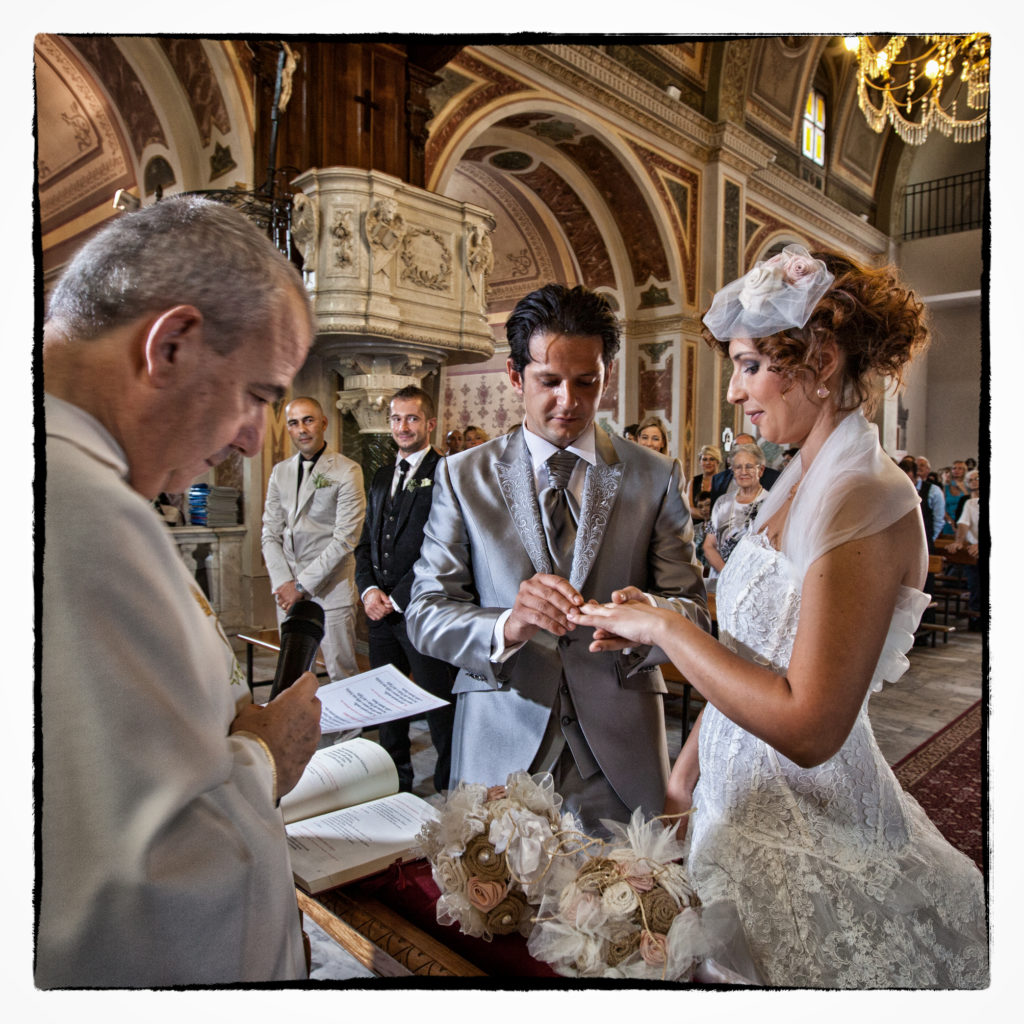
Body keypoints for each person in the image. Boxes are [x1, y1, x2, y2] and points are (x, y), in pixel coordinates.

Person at [569, 245, 986, 987]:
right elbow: (753, 658)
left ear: (820, 363)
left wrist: (672, 632)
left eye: (750, 364)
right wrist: (681, 784)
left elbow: (809, 727)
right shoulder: (799, 478)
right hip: (731, 802)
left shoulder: (862, 494)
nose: (733, 391)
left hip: (809, 825)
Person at [38, 196, 323, 986]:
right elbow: (129, 896)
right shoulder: (82, 513)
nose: (250, 441)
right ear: (170, 346)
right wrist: (267, 756)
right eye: (259, 396)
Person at [405, 283, 709, 835]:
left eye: (585, 381)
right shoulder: (461, 476)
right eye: (548, 381)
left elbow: (695, 609)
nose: (568, 400)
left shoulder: (655, 476)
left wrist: (652, 621)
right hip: (499, 744)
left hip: (620, 755)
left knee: (621, 911)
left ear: (607, 376)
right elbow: (425, 612)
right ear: (516, 377)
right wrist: (506, 625)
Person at [355, 386, 456, 793]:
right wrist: (368, 592)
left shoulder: (446, 473)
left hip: (421, 610)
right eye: (396, 419)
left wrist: (397, 597)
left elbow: (441, 549)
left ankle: (451, 784)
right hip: (379, 613)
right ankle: (395, 782)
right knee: (387, 704)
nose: (402, 426)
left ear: (429, 424)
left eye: (412, 418)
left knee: (438, 703)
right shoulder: (381, 475)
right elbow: (365, 542)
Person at [261, 397, 365, 685]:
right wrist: (284, 583)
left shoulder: (347, 470)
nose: (302, 429)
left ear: (323, 423)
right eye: (294, 423)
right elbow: (270, 532)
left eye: (308, 420)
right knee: (293, 673)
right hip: (287, 592)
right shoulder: (280, 472)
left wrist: (300, 586)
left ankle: (348, 731)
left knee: (341, 673)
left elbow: (345, 539)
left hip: (330, 590)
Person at [702, 442, 767, 580]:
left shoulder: (770, 502)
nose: (743, 472)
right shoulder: (722, 502)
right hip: (721, 578)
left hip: (754, 581)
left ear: (760, 470)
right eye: (738, 467)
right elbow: (709, 546)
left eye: (749, 466)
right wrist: (728, 574)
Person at [948, 468, 982, 627]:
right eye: (972, 479)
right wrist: (959, 541)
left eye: (978, 478)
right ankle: (976, 617)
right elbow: (963, 523)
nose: (975, 482)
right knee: (974, 583)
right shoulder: (969, 502)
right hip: (973, 549)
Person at [712, 431, 780, 492]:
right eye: (737, 446)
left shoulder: (774, 478)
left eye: (747, 447)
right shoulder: (718, 479)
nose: (741, 450)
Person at [904, 454, 944, 551]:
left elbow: (938, 520)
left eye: (907, 471)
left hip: (924, 542)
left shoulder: (933, 490)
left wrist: (929, 540)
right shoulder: (900, 489)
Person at [690, 444, 723, 521]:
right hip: (696, 527)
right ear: (700, 462)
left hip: (719, 524)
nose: (708, 463)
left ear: (717, 461)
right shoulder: (693, 481)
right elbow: (689, 508)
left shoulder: (724, 480)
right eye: (704, 459)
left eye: (712, 459)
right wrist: (707, 517)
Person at [942, 458, 969, 537]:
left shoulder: (968, 486)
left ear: (964, 471)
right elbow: (942, 507)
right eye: (954, 468)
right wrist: (951, 522)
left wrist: (962, 488)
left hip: (964, 521)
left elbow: (970, 502)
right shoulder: (946, 487)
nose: (956, 470)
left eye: (960, 468)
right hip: (949, 522)